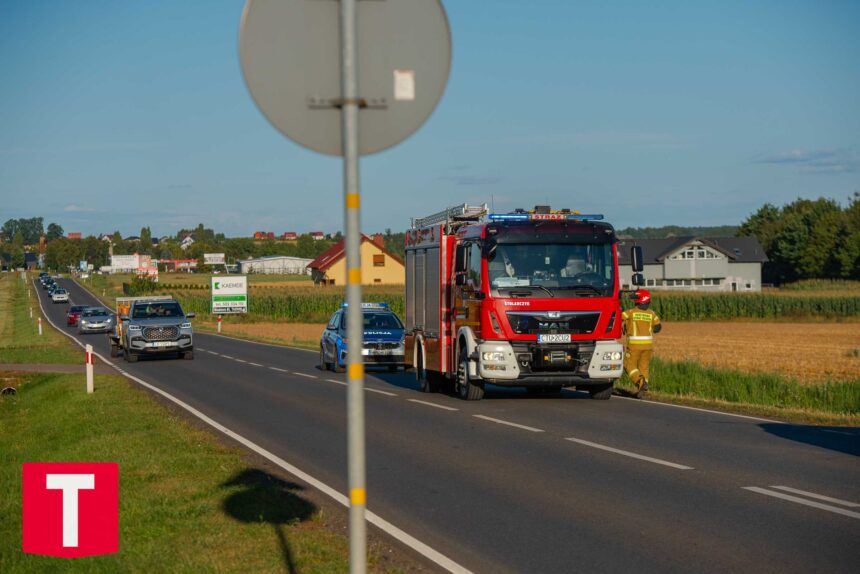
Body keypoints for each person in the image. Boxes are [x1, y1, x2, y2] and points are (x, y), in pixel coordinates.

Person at [621, 289, 661, 398]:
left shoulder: (630, 312)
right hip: (648, 346)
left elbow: (618, 318)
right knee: (644, 367)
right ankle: (643, 389)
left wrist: (625, 326)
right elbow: (658, 328)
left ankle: (640, 382)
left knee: (628, 365)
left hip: (634, 346)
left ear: (639, 300)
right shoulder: (652, 314)